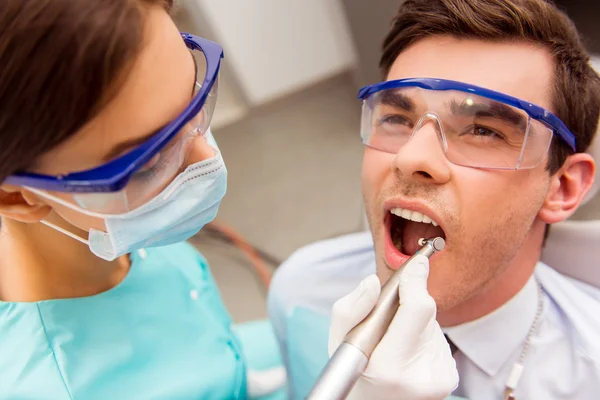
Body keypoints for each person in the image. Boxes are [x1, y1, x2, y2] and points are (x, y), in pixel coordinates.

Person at [0, 1, 452, 399]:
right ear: (20, 198)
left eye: (194, 95)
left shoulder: (103, 226)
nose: (205, 157)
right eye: (151, 160)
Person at [268, 0, 600, 399]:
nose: (411, 158)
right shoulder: (301, 292)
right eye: (397, 119)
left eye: (483, 130)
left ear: (562, 188)